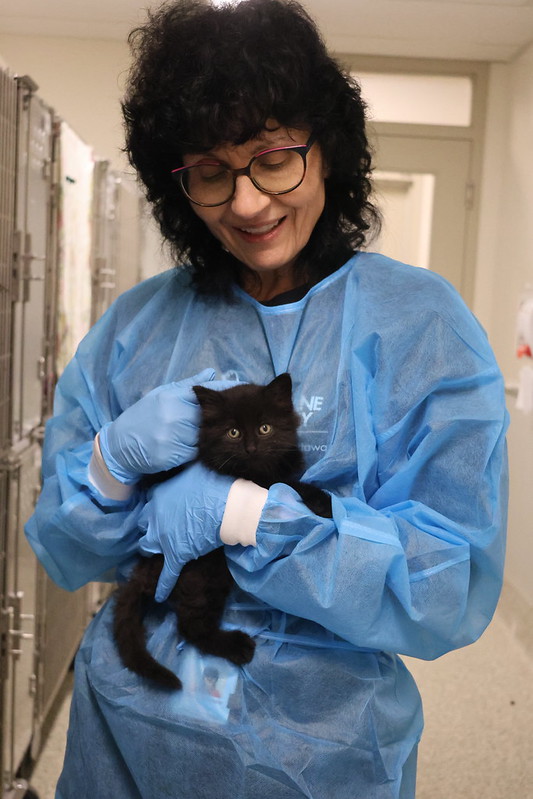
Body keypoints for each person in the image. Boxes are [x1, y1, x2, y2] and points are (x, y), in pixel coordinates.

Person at [25, 1, 508, 797]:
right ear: (177, 182)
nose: (247, 203)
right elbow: (65, 545)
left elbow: (446, 584)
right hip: (128, 731)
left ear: (328, 152)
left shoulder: (420, 326)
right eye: (211, 171)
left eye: (274, 157)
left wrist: (249, 517)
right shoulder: (137, 325)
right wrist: (109, 466)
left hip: (321, 750)